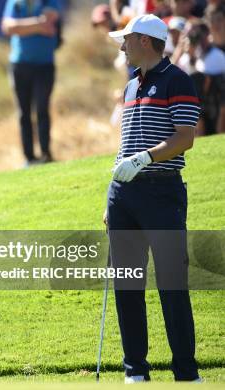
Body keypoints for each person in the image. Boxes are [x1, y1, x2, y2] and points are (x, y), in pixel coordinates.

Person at [104, 14, 202, 383]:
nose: (121, 46)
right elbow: (125, 145)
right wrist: (110, 200)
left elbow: (184, 137)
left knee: (172, 283)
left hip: (161, 191)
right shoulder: (131, 85)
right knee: (128, 283)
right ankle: (135, 371)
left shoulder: (178, 81)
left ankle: (186, 373)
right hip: (123, 195)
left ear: (145, 41)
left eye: (125, 40)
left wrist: (145, 158)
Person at [1, 0, 62, 166]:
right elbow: (8, 27)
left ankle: (45, 155)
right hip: (19, 65)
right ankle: (29, 158)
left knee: (42, 109)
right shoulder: (15, 3)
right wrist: (38, 24)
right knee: (24, 113)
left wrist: (22, 28)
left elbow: (49, 24)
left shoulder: (50, 2)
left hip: (44, 65)